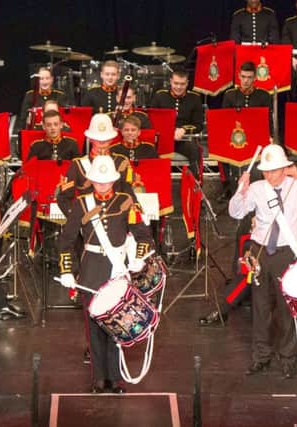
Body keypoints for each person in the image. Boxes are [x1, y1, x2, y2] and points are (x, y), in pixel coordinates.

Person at [58, 155, 153, 393]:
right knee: (94, 330)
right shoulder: (81, 204)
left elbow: (144, 235)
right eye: (98, 181)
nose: (102, 185)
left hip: (117, 271)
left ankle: (116, 378)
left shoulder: (126, 201)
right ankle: (99, 378)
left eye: (106, 180)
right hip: (90, 271)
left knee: (116, 327)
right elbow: (66, 241)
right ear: (91, 181)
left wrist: (139, 258)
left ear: (113, 180)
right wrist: (67, 270)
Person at [228, 144, 297, 379]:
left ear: (284, 169)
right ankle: (261, 356)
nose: (268, 175)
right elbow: (236, 213)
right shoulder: (257, 188)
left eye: (273, 170)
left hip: (285, 253)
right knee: (260, 308)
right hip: (259, 253)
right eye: (265, 171)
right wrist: (241, 190)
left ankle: (288, 357)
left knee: (286, 307)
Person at [200, 160, 297, 326]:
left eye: (292, 177)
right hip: (265, 245)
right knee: (250, 254)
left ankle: (224, 308)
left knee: (252, 270)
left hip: (292, 252)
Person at [56, 113, 134, 216]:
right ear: (90, 139)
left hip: (116, 221)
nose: (102, 142)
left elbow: (128, 193)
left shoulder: (121, 162)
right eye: (97, 139)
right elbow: (63, 198)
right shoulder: (78, 165)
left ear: (112, 139)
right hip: (88, 223)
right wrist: (77, 220)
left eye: (105, 139)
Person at [220, 61, 272, 200]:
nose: (246, 80)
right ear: (238, 76)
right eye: (243, 76)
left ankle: (263, 187)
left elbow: (267, 120)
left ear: (255, 78)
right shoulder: (229, 95)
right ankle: (226, 187)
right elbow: (224, 120)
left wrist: (270, 136)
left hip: (256, 136)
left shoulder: (263, 96)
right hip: (234, 136)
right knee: (220, 149)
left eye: (249, 77)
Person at [149, 68, 203, 177]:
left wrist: (184, 129)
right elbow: (151, 120)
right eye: (176, 83)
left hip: (183, 140)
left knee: (195, 150)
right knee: (148, 150)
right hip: (162, 140)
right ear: (170, 81)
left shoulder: (195, 98)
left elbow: (199, 124)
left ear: (187, 83)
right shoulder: (160, 96)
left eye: (182, 84)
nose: (178, 87)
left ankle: (194, 186)